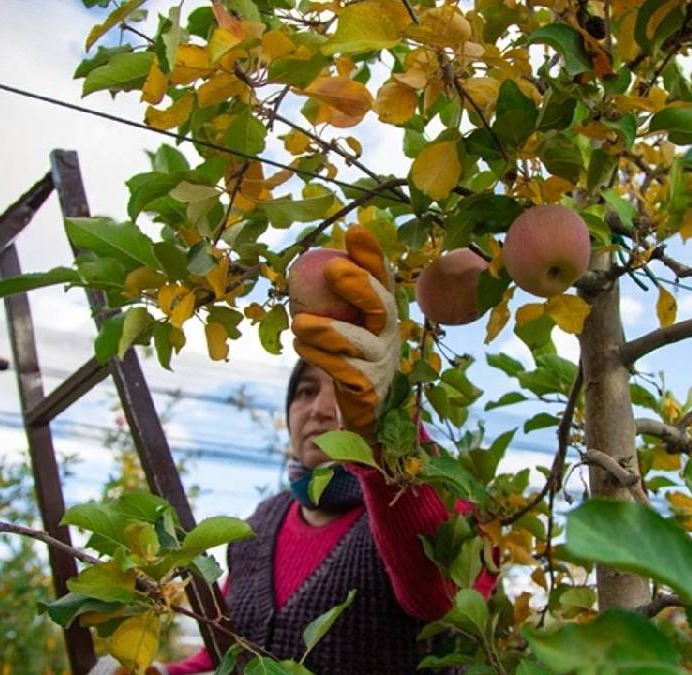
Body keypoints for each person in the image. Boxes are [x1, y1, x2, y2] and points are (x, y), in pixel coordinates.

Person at [93, 226, 495, 674]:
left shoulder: (442, 499)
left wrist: (387, 431)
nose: (320, 410)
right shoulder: (258, 529)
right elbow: (223, 654)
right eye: (304, 391)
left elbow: (438, 596)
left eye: (341, 388)